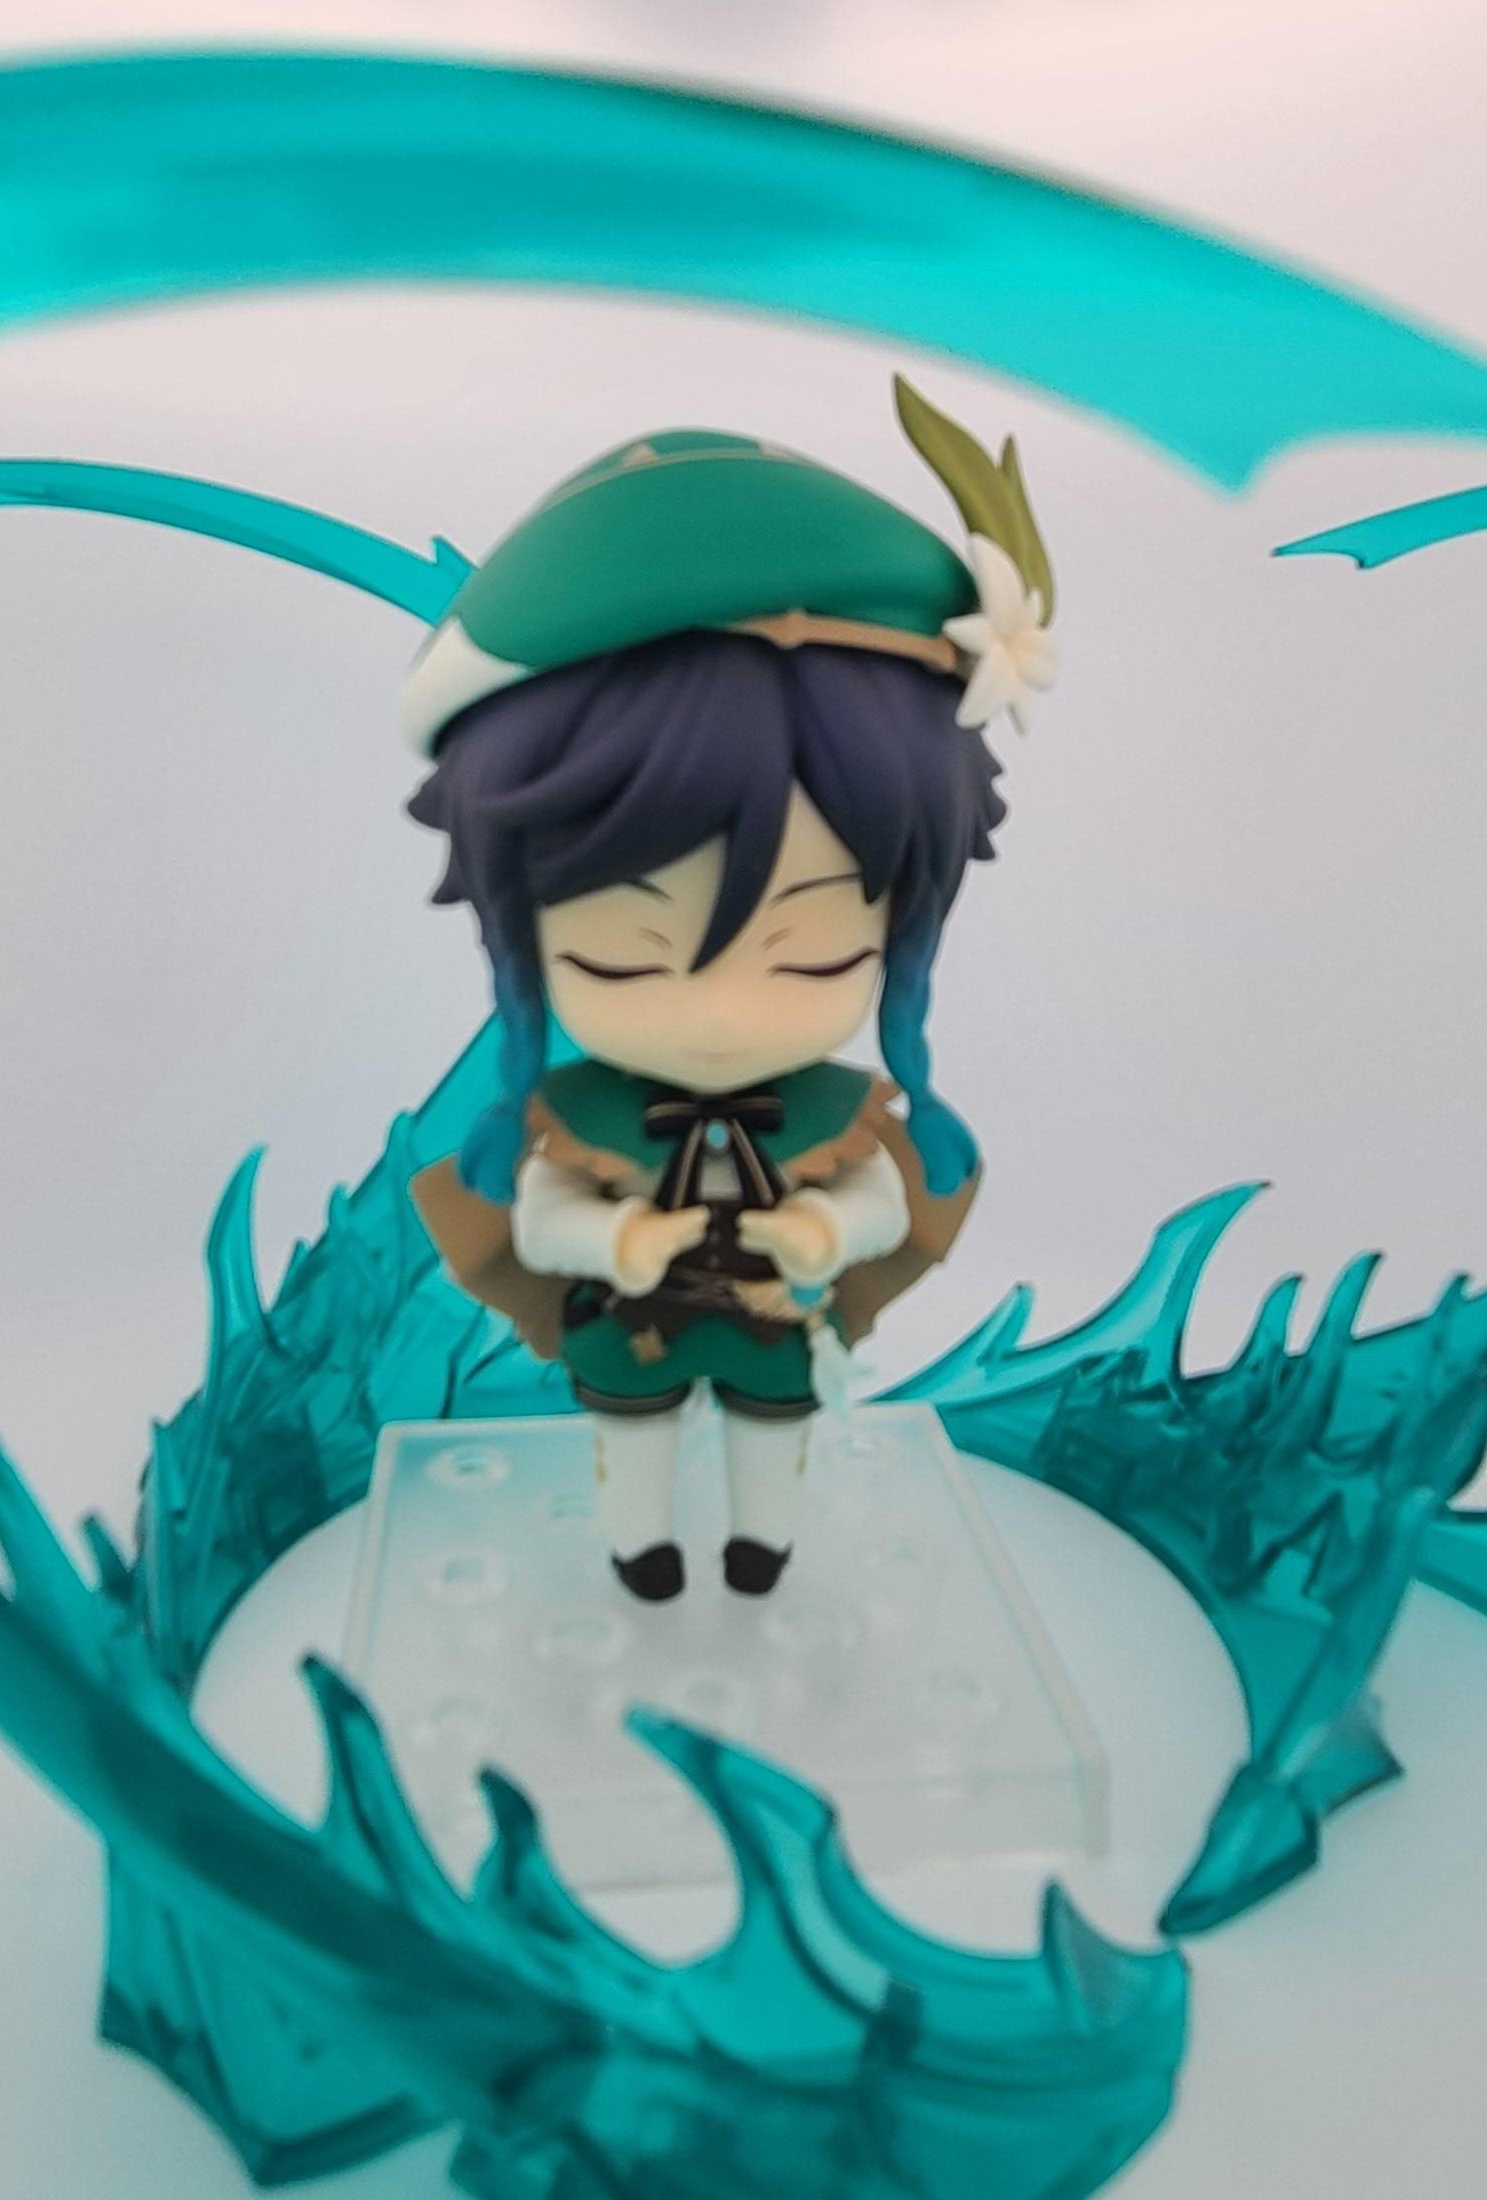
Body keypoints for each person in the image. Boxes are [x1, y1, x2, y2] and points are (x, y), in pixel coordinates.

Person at [407, 380, 1054, 1600]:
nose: (719, 1014)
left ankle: (764, 1547)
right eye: (621, 960)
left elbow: (877, 1202)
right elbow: (540, 1219)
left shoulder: (835, 1114)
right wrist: (613, 1237)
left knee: (775, 1433)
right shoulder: (580, 1116)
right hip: (629, 1320)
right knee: (631, 1436)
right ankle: (638, 1549)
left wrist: (829, 1231)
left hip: (774, 1323)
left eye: (812, 957)